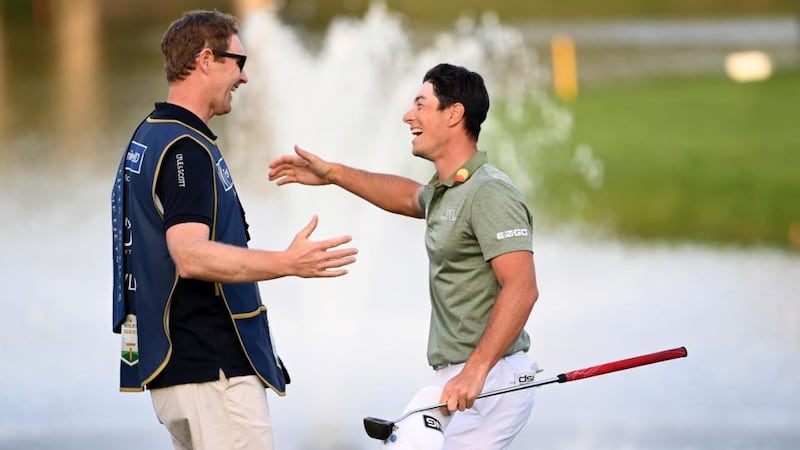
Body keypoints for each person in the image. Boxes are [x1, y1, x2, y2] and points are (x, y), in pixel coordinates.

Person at [110, 10, 358, 450]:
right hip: (212, 373)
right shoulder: (186, 148)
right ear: (207, 59)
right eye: (238, 63)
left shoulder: (148, 137)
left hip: (177, 372)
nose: (243, 78)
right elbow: (190, 255)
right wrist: (287, 262)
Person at [268, 63, 539, 449]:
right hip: (457, 377)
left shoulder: (490, 192)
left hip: (492, 378)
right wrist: (332, 173)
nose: (407, 116)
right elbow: (407, 197)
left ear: (454, 113)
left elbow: (523, 288)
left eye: (420, 105)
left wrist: (477, 371)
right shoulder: (449, 190)